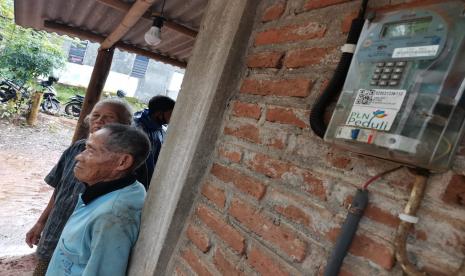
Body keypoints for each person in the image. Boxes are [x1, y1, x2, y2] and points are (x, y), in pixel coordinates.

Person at [25, 98, 133, 276]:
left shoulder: (123, 163)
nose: (99, 121)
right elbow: (60, 189)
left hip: (83, 248)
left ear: (125, 125)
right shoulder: (75, 149)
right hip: (56, 234)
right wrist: (41, 222)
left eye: (109, 117)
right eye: (96, 116)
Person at [46, 124, 150, 276]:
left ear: (123, 162)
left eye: (91, 150)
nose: (79, 156)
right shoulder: (125, 188)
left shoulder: (111, 216)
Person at [133, 95, 175, 188]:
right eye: (171, 113)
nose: (173, 117)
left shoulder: (160, 129)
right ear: (159, 113)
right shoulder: (135, 129)